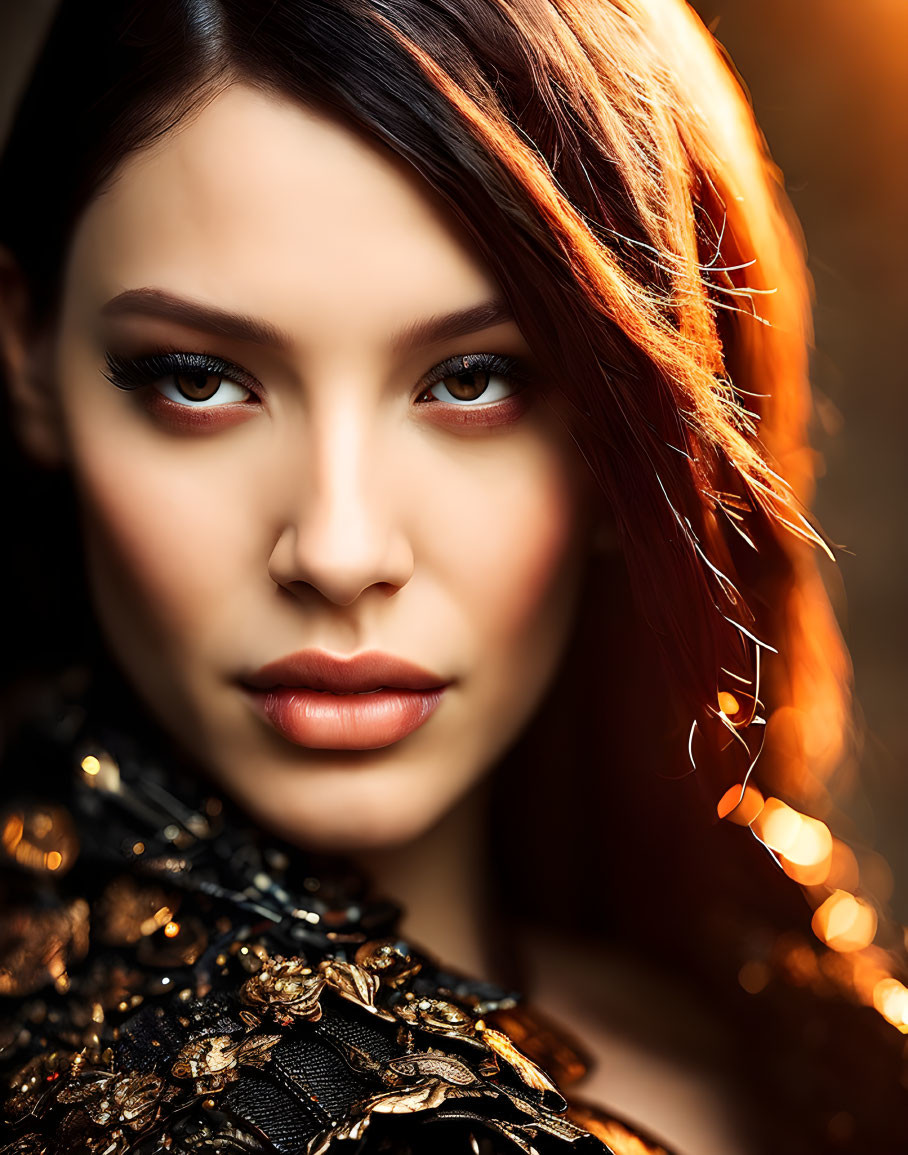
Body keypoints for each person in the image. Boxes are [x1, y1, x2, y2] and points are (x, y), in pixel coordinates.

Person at [1, 1, 906, 1152]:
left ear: (647, 413)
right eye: (197, 379)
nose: (338, 549)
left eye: (474, 379)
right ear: (24, 351)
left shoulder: (759, 1012)